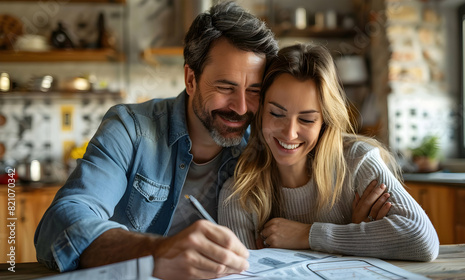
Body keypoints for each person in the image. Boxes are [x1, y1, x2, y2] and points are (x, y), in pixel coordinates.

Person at [35, 2, 278, 279]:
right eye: (225, 87)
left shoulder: (261, 144)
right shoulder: (130, 128)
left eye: (254, 91)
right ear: (190, 79)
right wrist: (159, 251)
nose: (242, 107)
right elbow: (60, 223)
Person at [218, 43, 440, 262]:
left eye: (306, 119)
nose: (290, 133)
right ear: (260, 112)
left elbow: (422, 240)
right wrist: (356, 236)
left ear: (325, 122)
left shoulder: (356, 161)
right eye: (276, 113)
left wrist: (308, 235)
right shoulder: (239, 194)